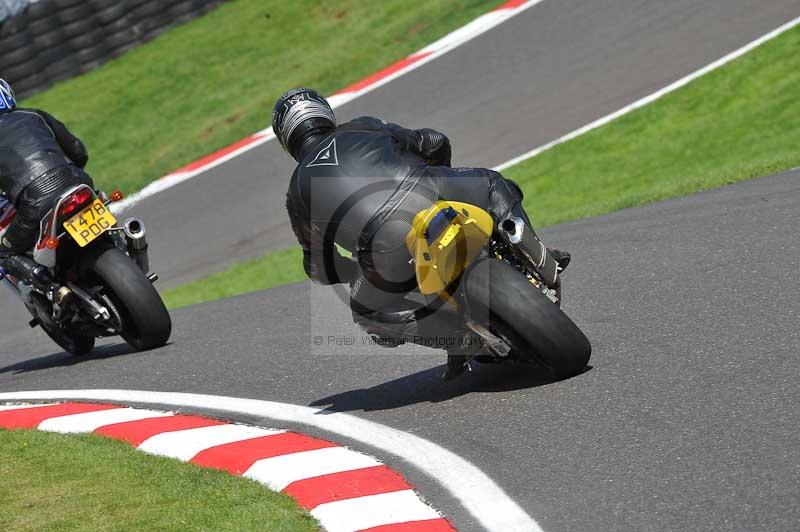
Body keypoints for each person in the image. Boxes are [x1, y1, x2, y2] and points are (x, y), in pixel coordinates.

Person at [275, 88, 569, 379]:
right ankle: (537, 254)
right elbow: (433, 141)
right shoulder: (362, 126)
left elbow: (318, 268)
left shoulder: (296, 193)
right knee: (493, 184)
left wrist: (355, 273)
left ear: (286, 139)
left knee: (367, 312)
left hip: (383, 243)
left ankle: (460, 339)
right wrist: (443, 174)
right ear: (324, 112)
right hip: (431, 189)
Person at [0, 78, 93, 308]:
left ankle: (52, 287)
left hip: (36, 202)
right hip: (77, 181)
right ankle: (123, 243)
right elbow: (78, 151)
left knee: (3, 253)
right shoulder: (34, 115)